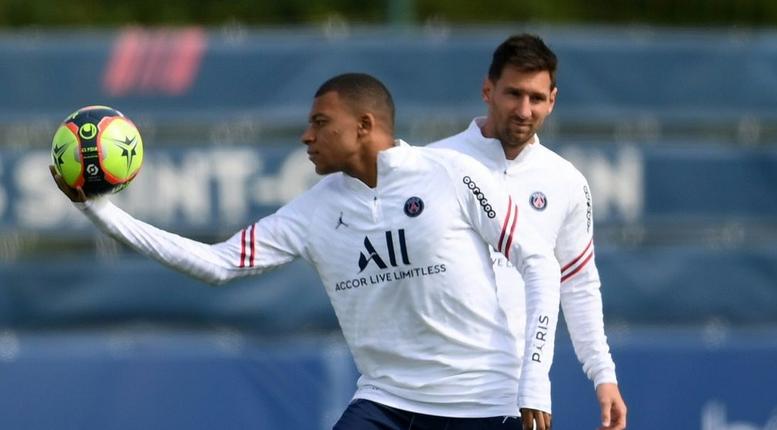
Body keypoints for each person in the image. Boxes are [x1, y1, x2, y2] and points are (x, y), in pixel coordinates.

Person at [50, 73, 562, 430]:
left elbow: (539, 263)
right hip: (386, 401)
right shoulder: (314, 210)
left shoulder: (453, 174)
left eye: (321, 123)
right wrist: (98, 211)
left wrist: (534, 379)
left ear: (364, 125)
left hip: (482, 404)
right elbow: (216, 264)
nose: (306, 135)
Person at [430, 34, 628, 430]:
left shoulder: (566, 182)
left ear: (552, 100)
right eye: (513, 94)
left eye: (536, 98)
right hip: (431, 390)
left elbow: (578, 284)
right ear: (488, 90)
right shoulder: (434, 164)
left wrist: (603, 374)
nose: (524, 110)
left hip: (514, 395)